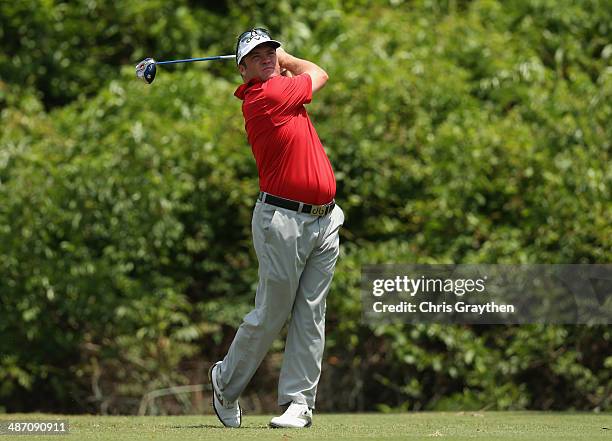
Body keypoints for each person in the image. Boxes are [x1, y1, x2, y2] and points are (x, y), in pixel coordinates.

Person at [208, 28, 344, 429]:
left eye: (271, 50)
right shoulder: (264, 97)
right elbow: (319, 72)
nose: (268, 57)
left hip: (325, 218)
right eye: (258, 55)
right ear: (244, 69)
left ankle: (299, 403)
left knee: (310, 313)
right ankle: (225, 381)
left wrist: (279, 64)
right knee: (273, 312)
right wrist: (288, 58)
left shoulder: (279, 89)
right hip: (282, 222)